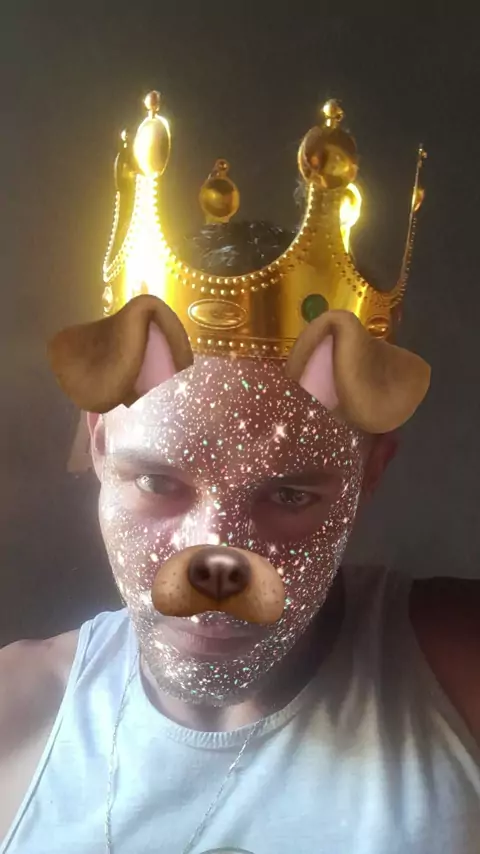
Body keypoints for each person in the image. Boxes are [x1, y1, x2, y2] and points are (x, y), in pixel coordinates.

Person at [0, 93, 479, 854]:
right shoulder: (15, 713)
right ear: (99, 445)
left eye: (288, 494)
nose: (217, 556)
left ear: (369, 472)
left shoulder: (457, 672)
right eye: (158, 483)